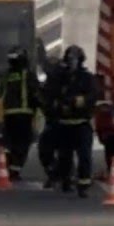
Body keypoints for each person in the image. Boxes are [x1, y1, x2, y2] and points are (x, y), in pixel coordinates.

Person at [53, 45, 98, 198]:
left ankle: (83, 185)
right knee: (64, 156)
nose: (72, 62)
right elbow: (51, 95)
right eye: (70, 59)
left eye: (75, 59)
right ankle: (66, 180)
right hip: (64, 124)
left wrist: (82, 101)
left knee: (84, 155)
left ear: (80, 60)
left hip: (82, 123)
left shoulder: (86, 78)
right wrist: (60, 105)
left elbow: (93, 96)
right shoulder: (60, 78)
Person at [0, 46, 40, 182]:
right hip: (24, 114)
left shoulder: (5, 75)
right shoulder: (27, 74)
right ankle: (15, 170)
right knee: (23, 143)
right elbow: (35, 93)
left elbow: (0, 92)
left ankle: (8, 161)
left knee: (9, 142)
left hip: (8, 114)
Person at [38, 54, 64, 188]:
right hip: (52, 122)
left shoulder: (66, 83)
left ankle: (64, 175)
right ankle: (55, 174)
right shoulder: (47, 84)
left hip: (65, 122)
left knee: (63, 151)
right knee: (45, 150)